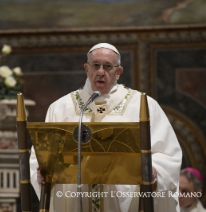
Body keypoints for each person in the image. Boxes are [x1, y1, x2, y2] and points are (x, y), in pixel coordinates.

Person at [30, 43, 182, 211]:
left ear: (118, 72)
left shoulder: (141, 105)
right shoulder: (61, 107)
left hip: (123, 201)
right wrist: (41, 172)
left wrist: (154, 170)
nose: (100, 72)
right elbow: (40, 155)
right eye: (96, 65)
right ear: (87, 69)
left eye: (107, 66)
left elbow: (168, 153)